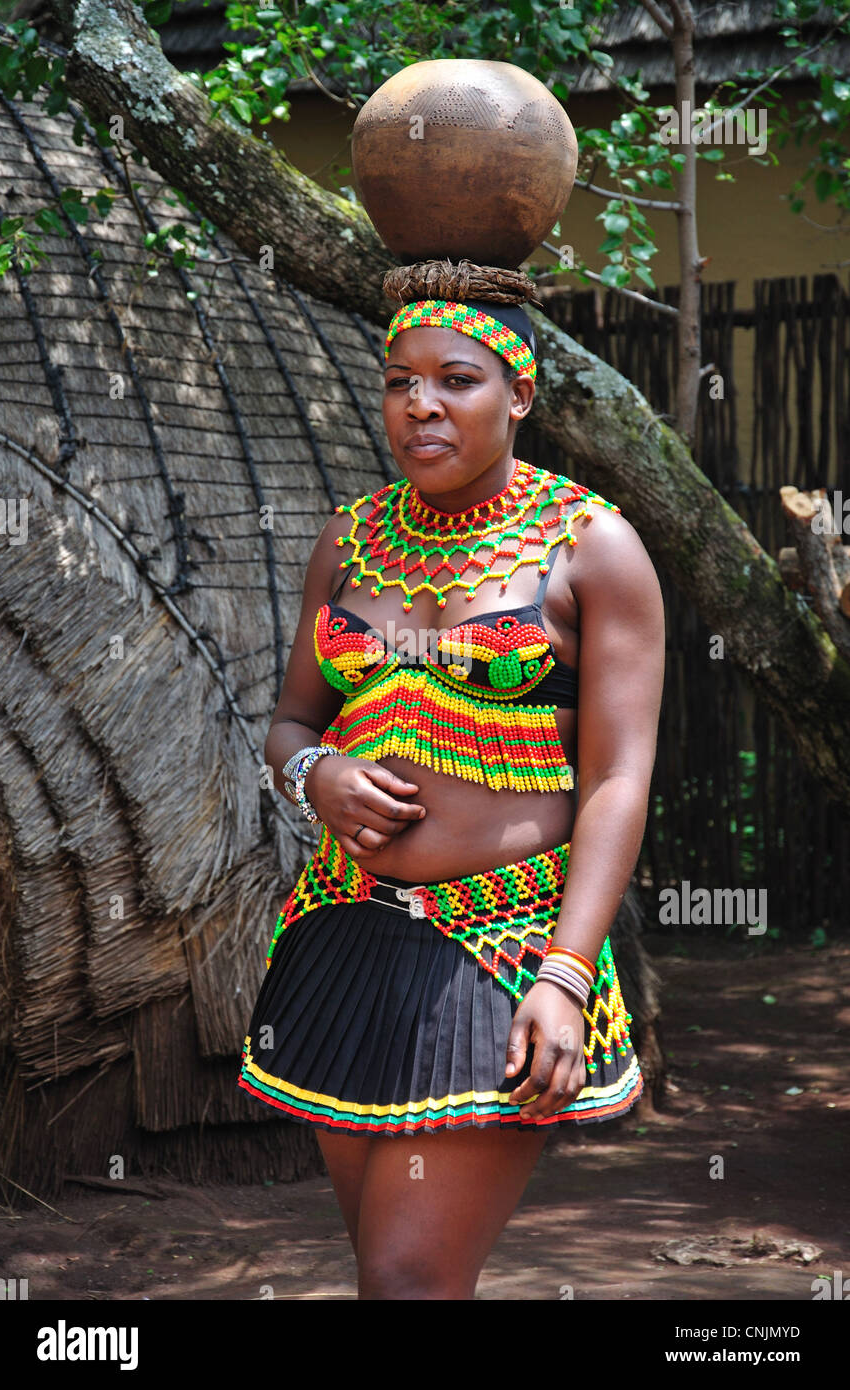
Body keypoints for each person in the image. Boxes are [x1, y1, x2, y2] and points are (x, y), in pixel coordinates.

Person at [238, 257, 666, 1300]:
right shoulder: (348, 543)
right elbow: (292, 719)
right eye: (399, 380)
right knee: (386, 1271)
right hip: (344, 932)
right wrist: (314, 773)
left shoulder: (591, 550)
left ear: (518, 394)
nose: (420, 404)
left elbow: (615, 778)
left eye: (456, 379)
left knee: (407, 1277)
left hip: (507, 952)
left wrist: (565, 974)